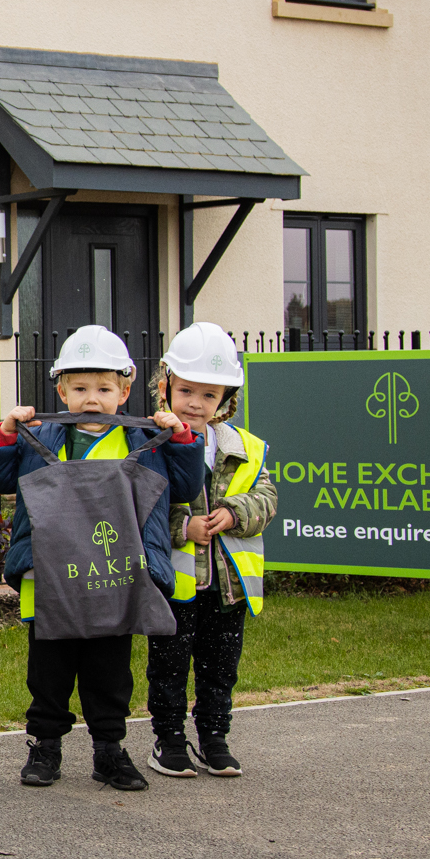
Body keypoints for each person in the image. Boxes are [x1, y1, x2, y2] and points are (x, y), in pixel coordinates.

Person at [0, 325, 203, 794]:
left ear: (124, 390)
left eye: (103, 388)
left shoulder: (142, 440)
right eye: (79, 388)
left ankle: (109, 750)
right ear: (60, 389)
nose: (91, 399)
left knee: (109, 669)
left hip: (116, 577)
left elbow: (183, 488)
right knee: (49, 668)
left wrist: (181, 440)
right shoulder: (42, 437)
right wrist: (3, 434)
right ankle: (45, 746)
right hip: (50, 578)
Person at [149, 322, 276, 780]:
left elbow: (267, 499)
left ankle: (214, 738)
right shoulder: (152, 443)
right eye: (187, 391)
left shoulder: (245, 447)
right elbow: (139, 507)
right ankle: (168, 739)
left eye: (209, 395)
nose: (197, 403)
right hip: (176, 583)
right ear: (166, 388)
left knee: (220, 666)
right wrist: (184, 526)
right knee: (169, 664)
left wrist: (236, 512)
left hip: (227, 585)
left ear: (225, 399)